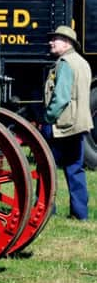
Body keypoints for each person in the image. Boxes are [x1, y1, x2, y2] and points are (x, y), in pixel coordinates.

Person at [42, 25, 93, 220]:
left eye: (55, 39)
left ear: (67, 43)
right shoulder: (82, 62)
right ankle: (80, 214)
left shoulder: (64, 63)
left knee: (47, 167)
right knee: (75, 169)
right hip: (78, 124)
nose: (51, 42)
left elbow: (61, 98)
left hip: (61, 124)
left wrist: (47, 118)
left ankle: (46, 209)